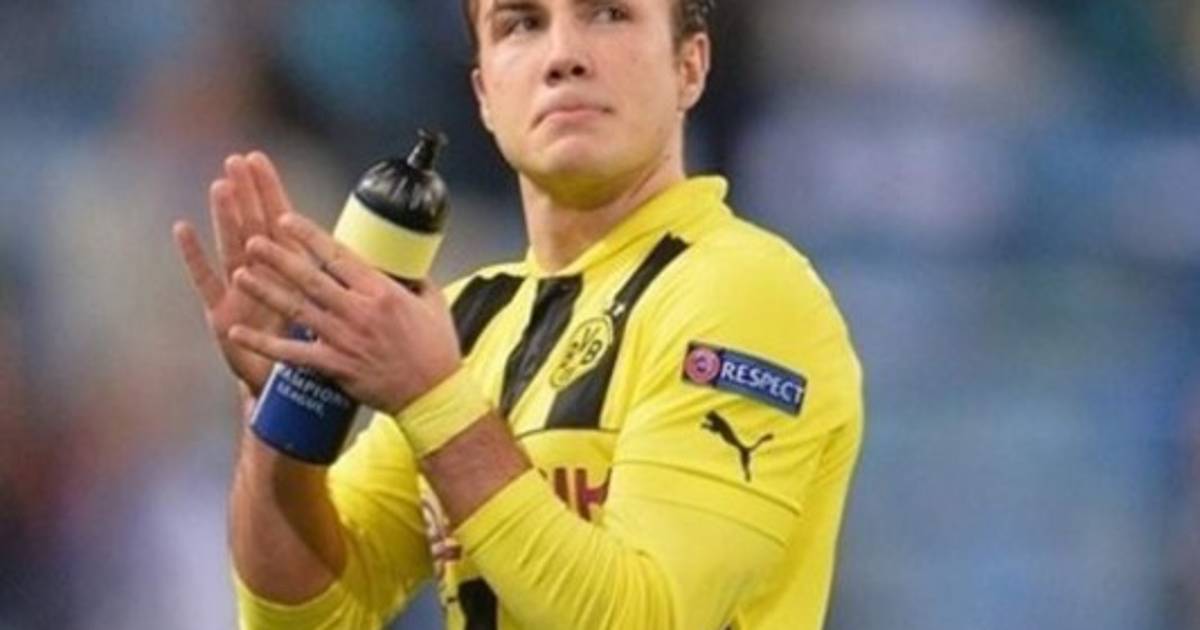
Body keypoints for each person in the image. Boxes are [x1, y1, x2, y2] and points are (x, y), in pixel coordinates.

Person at [172, 0, 864, 628]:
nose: (563, 56)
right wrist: (284, 409)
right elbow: (309, 616)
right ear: (484, 95)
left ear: (690, 66)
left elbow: (649, 619)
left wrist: (435, 402)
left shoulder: (746, 293)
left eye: (609, 14)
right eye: (521, 24)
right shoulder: (472, 319)